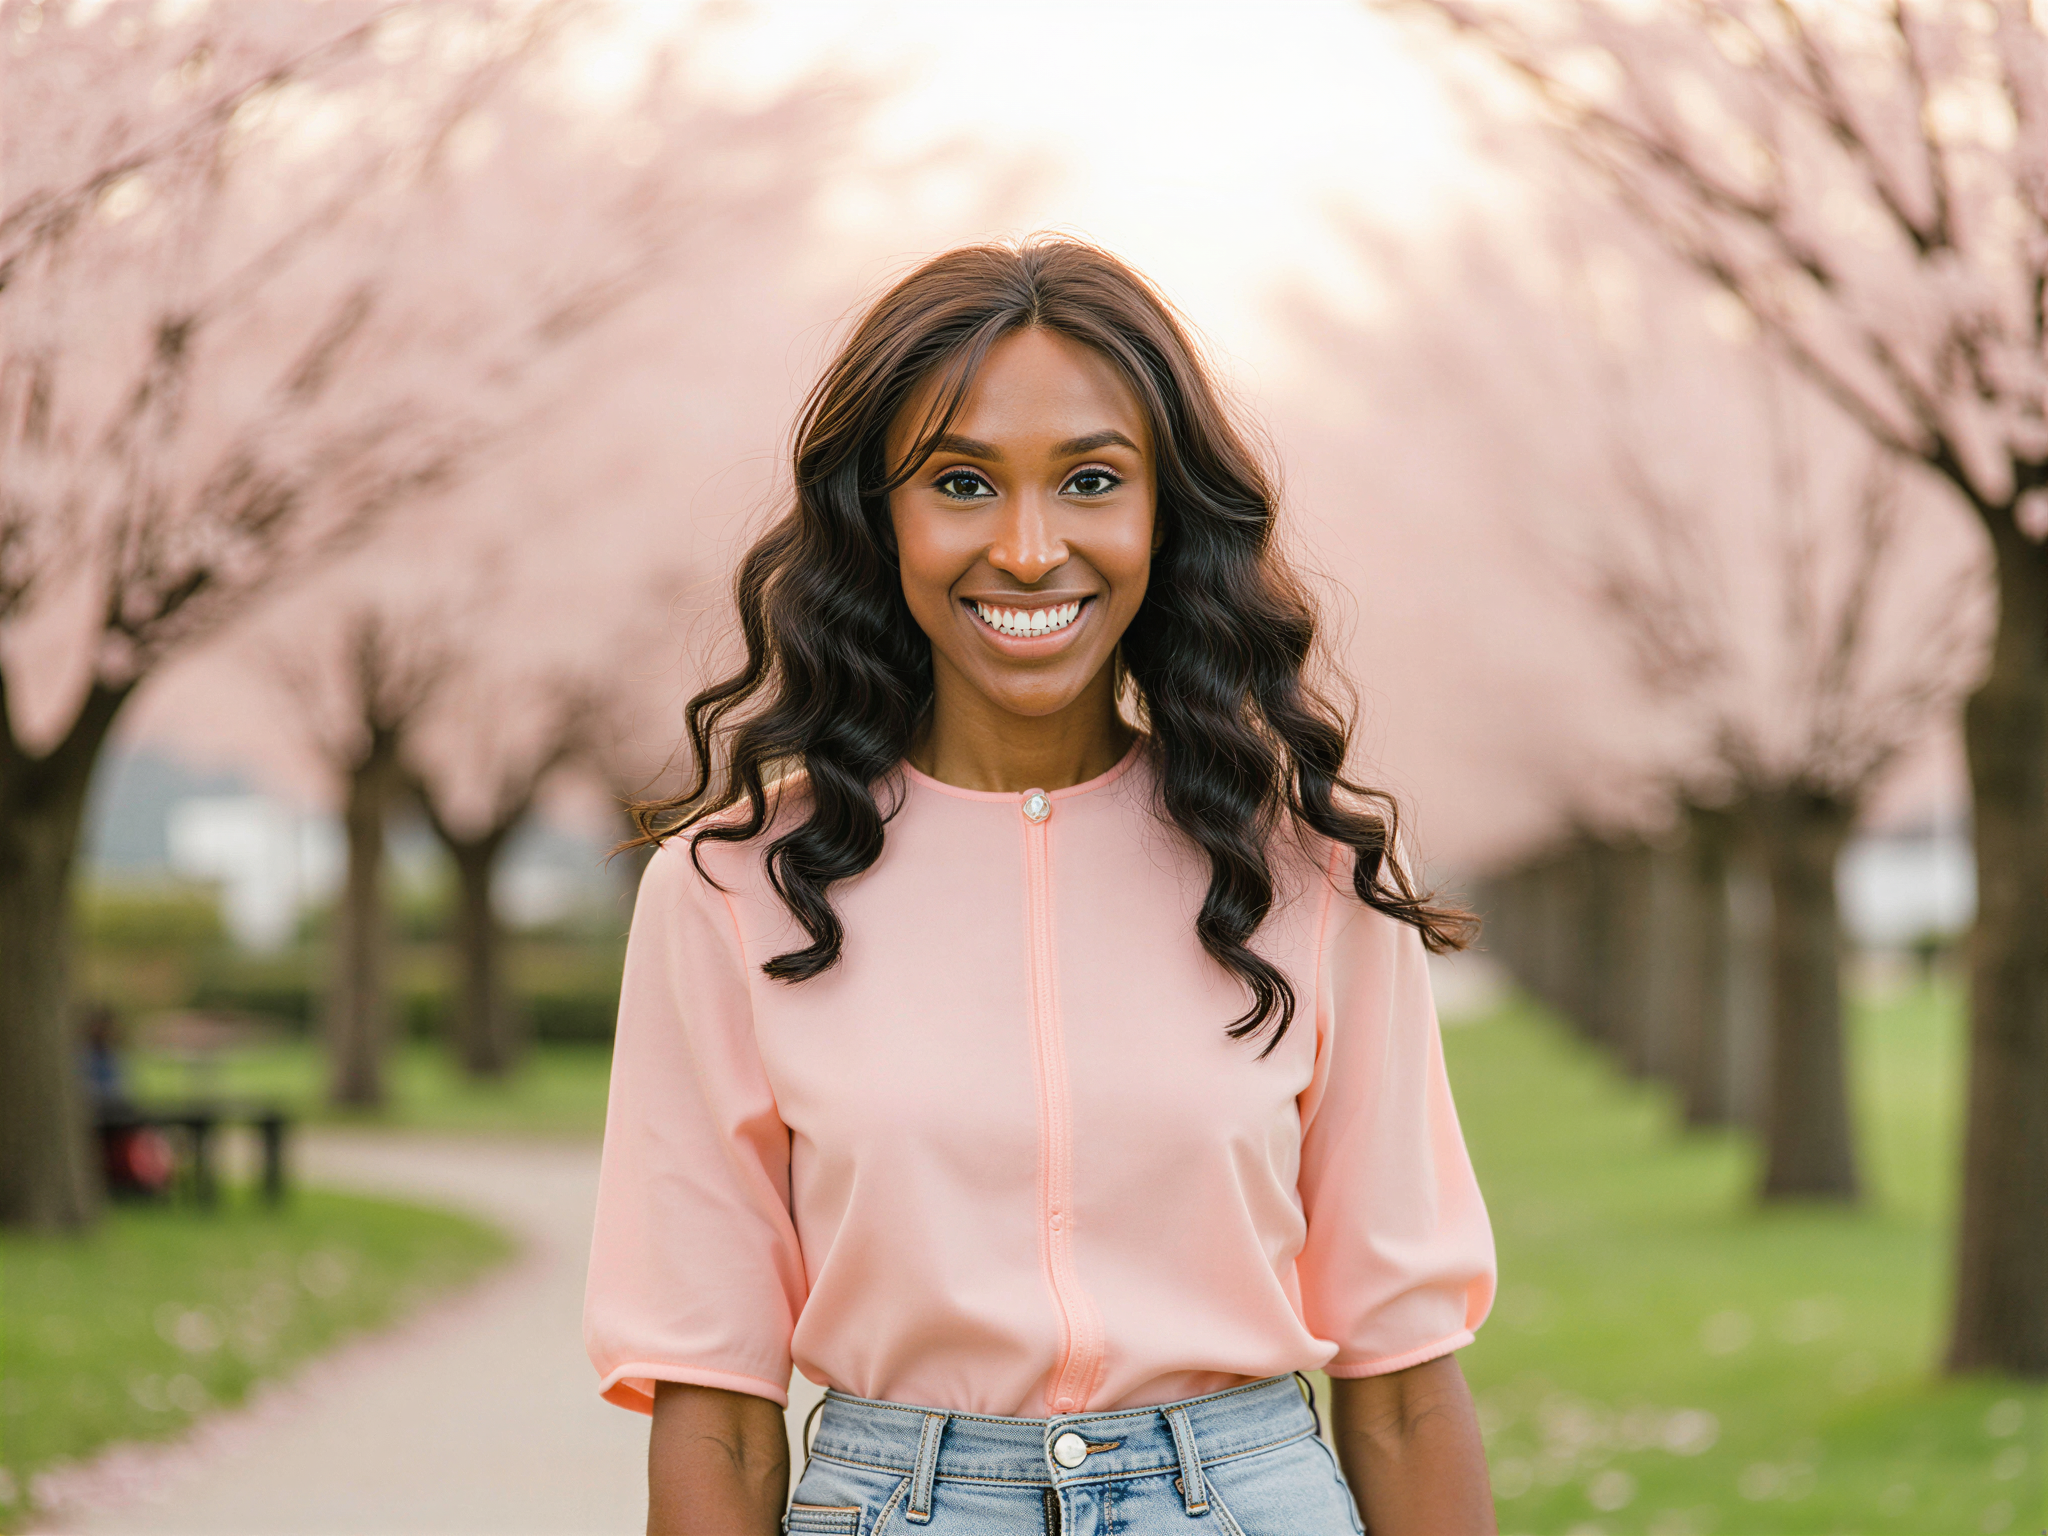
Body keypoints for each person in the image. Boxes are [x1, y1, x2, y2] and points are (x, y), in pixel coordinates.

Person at [584, 237, 1499, 1536]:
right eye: (961, 482)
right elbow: (718, 1411)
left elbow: (1404, 1385)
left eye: (1089, 480)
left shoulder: (1314, 873)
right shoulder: (734, 888)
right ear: (879, 515)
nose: (1027, 549)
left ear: (1162, 515)